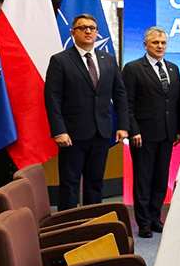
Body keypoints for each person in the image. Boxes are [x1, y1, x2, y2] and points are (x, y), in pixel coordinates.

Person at [44, 13, 129, 211]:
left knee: (95, 182)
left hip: (101, 132)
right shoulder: (60, 60)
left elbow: (119, 94)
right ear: (73, 32)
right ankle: (67, 224)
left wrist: (123, 125)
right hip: (72, 134)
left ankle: (92, 222)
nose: (88, 31)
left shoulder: (108, 59)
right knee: (69, 183)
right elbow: (52, 98)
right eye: (83, 28)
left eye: (92, 28)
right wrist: (59, 131)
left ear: (97, 33)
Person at [122, 27, 180, 238]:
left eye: (163, 43)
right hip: (143, 136)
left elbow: (176, 102)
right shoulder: (133, 68)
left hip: (167, 134)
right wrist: (133, 130)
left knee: (160, 179)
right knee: (143, 180)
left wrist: (178, 129)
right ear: (146, 44)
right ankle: (144, 222)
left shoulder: (173, 69)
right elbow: (126, 103)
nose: (160, 46)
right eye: (155, 42)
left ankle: (156, 218)